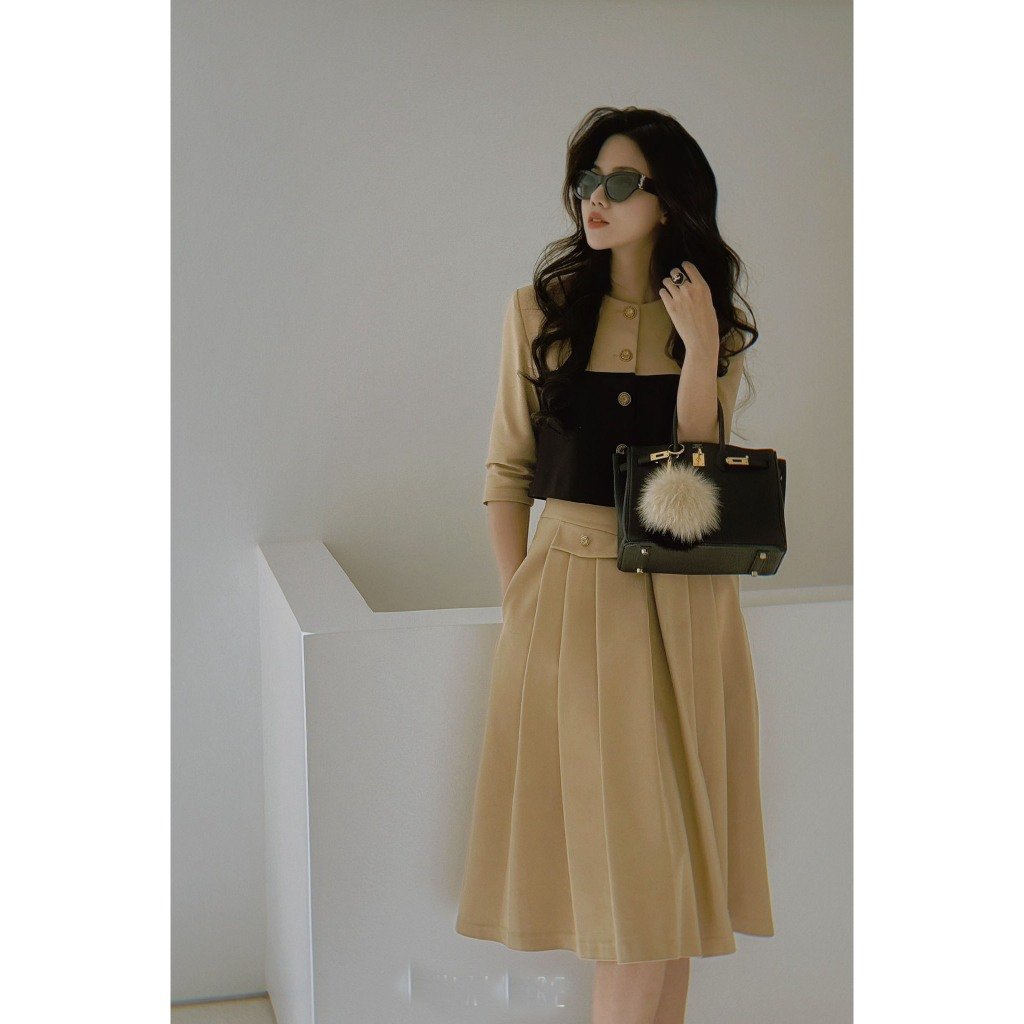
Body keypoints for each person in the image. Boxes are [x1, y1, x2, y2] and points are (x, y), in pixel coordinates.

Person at [455, 106, 775, 1024]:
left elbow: (699, 467)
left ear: (667, 201)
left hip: (689, 606)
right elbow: (506, 473)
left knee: (670, 888)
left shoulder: (712, 324)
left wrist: (702, 348)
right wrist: (521, 598)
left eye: (622, 182)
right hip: (571, 595)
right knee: (634, 889)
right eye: (589, 181)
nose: (597, 198)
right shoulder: (539, 313)